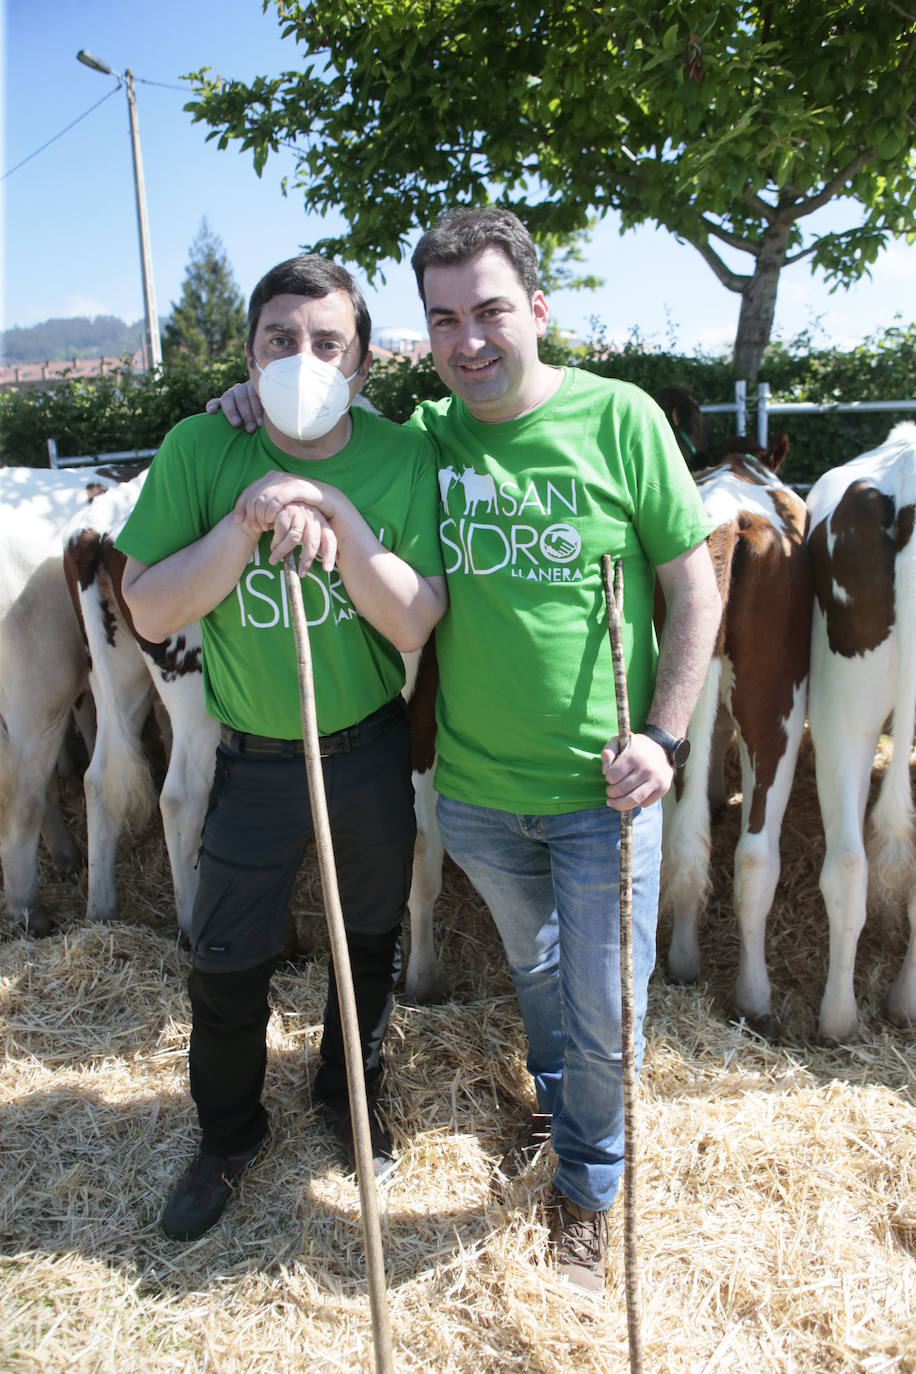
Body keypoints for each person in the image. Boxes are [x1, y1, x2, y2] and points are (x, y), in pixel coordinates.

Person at [211, 209, 722, 1298]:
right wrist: (254, 399)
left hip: (603, 786)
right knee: (542, 977)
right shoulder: (432, 436)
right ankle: (563, 1098)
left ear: (537, 308)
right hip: (478, 795)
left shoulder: (620, 419)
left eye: (490, 309)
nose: (469, 337)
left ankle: (586, 1183)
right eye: (444, 319)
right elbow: (331, 422)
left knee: (606, 1001)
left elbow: (694, 589)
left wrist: (665, 732)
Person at [116, 254, 447, 1242]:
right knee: (224, 961)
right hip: (255, 757)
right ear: (248, 351)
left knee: (370, 944)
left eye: (324, 343)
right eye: (279, 341)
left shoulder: (399, 458)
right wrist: (245, 518)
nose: (300, 358)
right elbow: (147, 603)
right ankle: (226, 1134)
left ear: (360, 363)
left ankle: (349, 1099)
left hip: (366, 746)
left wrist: (336, 516)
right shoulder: (199, 447)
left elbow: (416, 619)